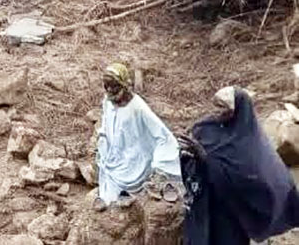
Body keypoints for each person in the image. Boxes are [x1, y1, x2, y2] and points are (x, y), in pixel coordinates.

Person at [178, 87, 299, 245]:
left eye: (222, 107)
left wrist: (206, 160)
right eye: (215, 105)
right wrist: (187, 157)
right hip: (205, 203)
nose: (216, 111)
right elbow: (192, 161)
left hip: (231, 212)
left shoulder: (248, 142)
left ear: (237, 110)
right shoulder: (204, 127)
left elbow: (247, 180)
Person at [95, 63, 181, 209]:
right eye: (106, 86)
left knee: (129, 176)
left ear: (123, 84)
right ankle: (113, 196)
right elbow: (106, 123)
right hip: (115, 155)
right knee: (106, 169)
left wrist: (159, 162)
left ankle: (136, 190)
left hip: (136, 160)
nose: (109, 90)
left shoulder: (137, 107)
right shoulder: (108, 102)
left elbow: (162, 135)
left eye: (113, 86)